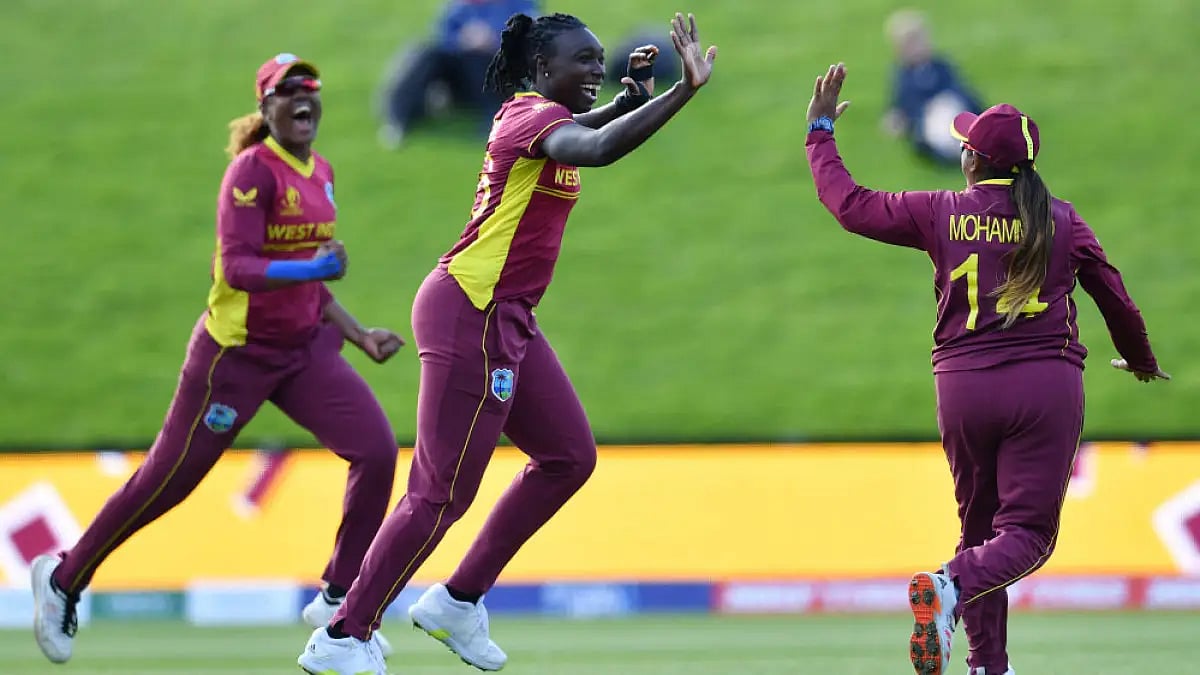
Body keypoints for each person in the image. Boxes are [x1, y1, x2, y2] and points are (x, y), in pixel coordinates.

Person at [298, 12, 717, 675]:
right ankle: (343, 633)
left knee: (568, 456)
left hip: (506, 315)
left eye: (599, 58)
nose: (596, 70)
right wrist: (680, 91)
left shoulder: (544, 120)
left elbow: (589, 131)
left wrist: (628, 100)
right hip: (473, 310)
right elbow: (596, 149)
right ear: (543, 69)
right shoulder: (529, 116)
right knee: (440, 494)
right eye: (584, 60)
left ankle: (458, 600)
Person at [31, 53, 406, 667]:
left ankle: (340, 595)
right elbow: (237, 268)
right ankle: (63, 578)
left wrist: (359, 334)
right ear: (266, 107)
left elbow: (312, 279)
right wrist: (314, 267)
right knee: (168, 481)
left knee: (376, 450)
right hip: (235, 356)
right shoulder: (250, 173)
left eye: (310, 86)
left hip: (302, 351)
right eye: (286, 90)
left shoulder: (322, 173)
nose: (303, 95)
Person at [804, 63, 1168, 675]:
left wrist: (820, 133)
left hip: (963, 389)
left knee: (982, 536)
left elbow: (850, 205)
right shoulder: (1062, 219)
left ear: (972, 161)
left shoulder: (939, 210)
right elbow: (1114, 295)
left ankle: (986, 665)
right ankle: (948, 585)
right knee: (1028, 538)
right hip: (1044, 386)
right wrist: (1140, 360)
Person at [377, 0, 542, 148]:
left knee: (486, 60)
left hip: (498, 71)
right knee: (425, 54)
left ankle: (496, 121)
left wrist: (493, 39)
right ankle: (398, 118)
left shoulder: (518, 3)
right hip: (461, 68)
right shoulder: (465, 4)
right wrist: (462, 39)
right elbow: (442, 33)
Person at [882, 9, 984, 165]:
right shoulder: (904, 77)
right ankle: (957, 153)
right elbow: (901, 104)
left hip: (952, 109)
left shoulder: (941, 66)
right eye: (908, 45)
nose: (915, 49)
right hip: (927, 119)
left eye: (918, 41)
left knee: (949, 111)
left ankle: (972, 147)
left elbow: (961, 90)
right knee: (935, 127)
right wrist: (896, 118)